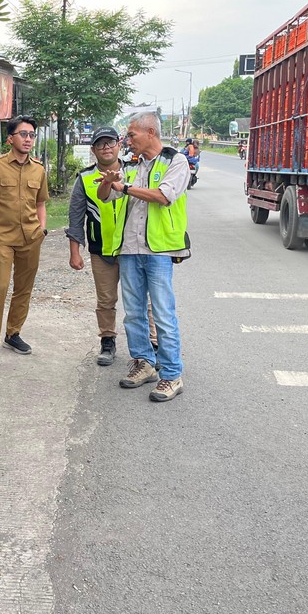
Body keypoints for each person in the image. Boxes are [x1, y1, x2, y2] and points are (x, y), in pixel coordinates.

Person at [97, 111, 190, 402]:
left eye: (132, 134)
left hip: (159, 250)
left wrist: (123, 186)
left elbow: (164, 196)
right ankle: (144, 362)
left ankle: (172, 375)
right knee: (134, 313)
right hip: (130, 249)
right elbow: (106, 196)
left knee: (162, 313)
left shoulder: (176, 161)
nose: (127, 140)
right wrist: (109, 182)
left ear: (151, 132)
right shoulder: (133, 165)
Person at [66, 127, 156, 367]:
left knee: (142, 300)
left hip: (133, 249)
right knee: (106, 300)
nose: (106, 147)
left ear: (119, 144)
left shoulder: (136, 172)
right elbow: (76, 219)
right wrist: (75, 252)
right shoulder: (84, 178)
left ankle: (153, 343)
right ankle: (108, 340)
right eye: (100, 144)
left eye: (110, 142)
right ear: (93, 150)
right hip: (102, 250)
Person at [0, 115, 48, 367]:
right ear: (10, 138)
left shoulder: (38, 169)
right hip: (1, 239)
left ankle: (13, 333)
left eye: (31, 135)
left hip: (31, 238)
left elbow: (40, 203)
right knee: (0, 287)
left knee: (23, 288)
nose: (28, 139)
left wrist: (42, 229)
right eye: (23, 134)